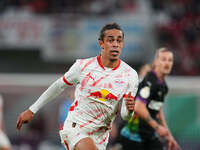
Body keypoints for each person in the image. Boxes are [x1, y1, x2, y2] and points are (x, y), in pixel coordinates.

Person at [16, 22, 139, 150]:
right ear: (101, 43)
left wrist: (130, 110)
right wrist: (32, 110)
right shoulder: (83, 66)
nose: (115, 44)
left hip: (101, 136)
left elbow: (125, 115)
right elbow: (58, 86)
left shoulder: (130, 75)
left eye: (119, 41)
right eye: (110, 40)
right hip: (76, 128)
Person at [118, 48, 181, 150]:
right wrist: (157, 126)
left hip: (148, 135)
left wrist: (169, 136)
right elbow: (138, 107)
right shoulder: (150, 80)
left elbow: (158, 110)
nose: (167, 63)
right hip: (134, 136)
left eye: (170, 60)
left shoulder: (163, 86)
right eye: (163, 59)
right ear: (156, 62)